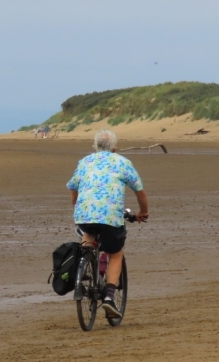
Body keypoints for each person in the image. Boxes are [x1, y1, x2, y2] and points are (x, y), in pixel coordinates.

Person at [66, 130, 149, 318]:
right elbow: (140, 192)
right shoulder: (122, 162)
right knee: (116, 254)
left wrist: (78, 210)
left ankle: (83, 270)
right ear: (115, 148)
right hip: (111, 217)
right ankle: (110, 298)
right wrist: (143, 212)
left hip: (84, 214)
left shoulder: (85, 162)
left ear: (94, 146)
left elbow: (72, 188)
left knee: (88, 233)